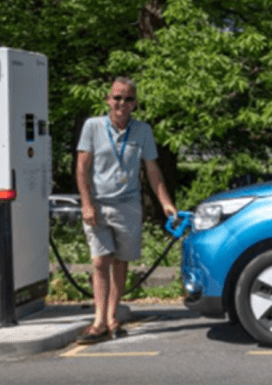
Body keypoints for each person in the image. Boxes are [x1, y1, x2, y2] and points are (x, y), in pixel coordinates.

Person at [74, 77, 176, 344]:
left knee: (121, 261)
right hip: (98, 204)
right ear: (108, 99)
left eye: (128, 98)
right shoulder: (93, 127)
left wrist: (166, 202)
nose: (122, 103)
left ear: (135, 104)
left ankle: (112, 317)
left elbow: (152, 170)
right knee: (99, 261)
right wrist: (86, 203)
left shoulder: (143, 131)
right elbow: (82, 168)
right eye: (117, 97)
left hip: (128, 205)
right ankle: (98, 321)